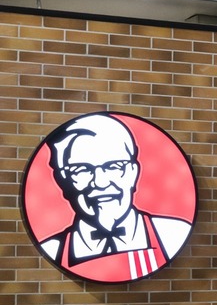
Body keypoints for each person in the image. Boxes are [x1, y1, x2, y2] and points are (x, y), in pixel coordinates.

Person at [39, 114, 191, 281]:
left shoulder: (172, 235)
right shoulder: (53, 250)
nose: (101, 182)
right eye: (81, 170)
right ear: (62, 181)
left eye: (113, 166)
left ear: (133, 173)